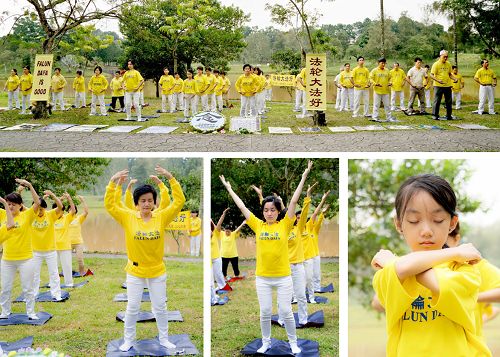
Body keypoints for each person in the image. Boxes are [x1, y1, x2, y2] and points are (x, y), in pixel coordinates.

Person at [371, 174, 491, 356]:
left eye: (437, 220)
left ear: (452, 224)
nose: (426, 231)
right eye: (414, 221)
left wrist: (392, 262)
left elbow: (408, 271)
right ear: (398, 224)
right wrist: (455, 251)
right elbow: (396, 277)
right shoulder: (387, 273)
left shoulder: (465, 270)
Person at [219, 160, 313, 355]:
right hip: (263, 277)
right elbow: (243, 206)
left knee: (286, 312)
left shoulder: (285, 225)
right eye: (266, 210)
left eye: (272, 210)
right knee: (264, 312)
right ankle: (266, 342)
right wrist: (229, 189)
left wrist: (304, 177)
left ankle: (293, 342)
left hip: (283, 277)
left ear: (279, 212)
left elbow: (294, 201)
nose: (269, 213)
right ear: (263, 212)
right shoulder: (258, 225)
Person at [104, 165, 185, 352]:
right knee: (132, 307)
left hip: (157, 270)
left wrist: (170, 178)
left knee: (160, 307)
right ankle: (128, 340)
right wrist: (112, 182)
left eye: (150, 200)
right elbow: (110, 205)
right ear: (137, 203)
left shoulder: (161, 217)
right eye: (143, 201)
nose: (147, 204)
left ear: (154, 202)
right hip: (135, 271)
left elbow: (179, 201)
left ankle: (164, 339)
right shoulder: (128, 217)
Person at [445, 222, 500, 342]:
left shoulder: (474, 265)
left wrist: (473, 297)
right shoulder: (414, 267)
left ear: (456, 239)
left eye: (444, 245)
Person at [0, 179, 41, 320]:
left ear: (20, 205)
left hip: (25, 259)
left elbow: (37, 203)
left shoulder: (27, 215)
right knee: (5, 288)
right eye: (8, 204)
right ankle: (5, 312)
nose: (10, 207)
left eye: (13, 204)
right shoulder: (3, 214)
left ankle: (31, 312)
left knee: (27, 288)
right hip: (7, 260)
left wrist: (29, 186)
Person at [30, 190, 64, 300]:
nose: (39, 211)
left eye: (42, 208)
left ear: (45, 207)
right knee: (34, 274)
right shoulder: (31, 215)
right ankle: (34, 294)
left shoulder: (50, 215)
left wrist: (53, 195)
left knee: (54, 273)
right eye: (38, 208)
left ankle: (56, 294)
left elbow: (60, 206)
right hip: (35, 251)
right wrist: (19, 191)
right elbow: (18, 207)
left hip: (50, 250)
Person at [304, 191, 329, 302]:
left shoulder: (314, 230)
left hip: (315, 254)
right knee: (307, 276)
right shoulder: (303, 229)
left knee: (316, 273)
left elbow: (318, 218)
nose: (312, 221)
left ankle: (317, 288)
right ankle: (307, 290)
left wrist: (323, 212)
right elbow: (314, 215)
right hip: (305, 256)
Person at [54, 193, 76, 287]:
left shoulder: (66, 218)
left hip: (65, 247)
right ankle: (54, 284)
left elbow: (73, 210)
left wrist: (69, 198)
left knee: (67, 266)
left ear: (63, 211)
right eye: (57, 211)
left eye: (60, 211)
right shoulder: (52, 218)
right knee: (54, 268)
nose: (58, 212)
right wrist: (59, 199)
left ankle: (69, 283)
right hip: (53, 247)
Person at [429, 50, 458, 120]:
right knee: (437, 101)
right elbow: (431, 75)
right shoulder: (436, 64)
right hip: (438, 86)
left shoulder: (448, 64)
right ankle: (435, 115)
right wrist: (438, 80)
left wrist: (455, 79)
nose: (445, 58)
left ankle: (448, 115)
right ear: (440, 56)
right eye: (444, 57)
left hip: (447, 85)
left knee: (449, 101)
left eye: (447, 57)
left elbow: (450, 74)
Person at [370, 58, 396, 122]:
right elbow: (370, 79)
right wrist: (375, 84)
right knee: (376, 105)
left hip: (386, 91)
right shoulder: (374, 70)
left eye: (384, 63)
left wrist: (390, 82)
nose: (383, 64)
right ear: (378, 63)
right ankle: (375, 117)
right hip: (377, 91)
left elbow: (391, 78)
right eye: (382, 63)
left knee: (387, 105)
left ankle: (389, 117)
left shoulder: (387, 70)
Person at [69, 195, 89, 276]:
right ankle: (68, 273)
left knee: (80, 260)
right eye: (69, 209)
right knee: (66, 260)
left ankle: (81, 273)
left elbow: (86, 212)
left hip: (78, 243)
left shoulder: (79, 218)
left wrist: (83, 200)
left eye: (72, 209)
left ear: (75, 210)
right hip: (68, 243)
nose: (71, 210)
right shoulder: (65, 218)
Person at [211, 210, 231, 292]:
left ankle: (222, 286)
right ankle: (212, 290)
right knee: (210, 276)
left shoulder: (215, 232)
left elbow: (219, 224)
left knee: (218, 274)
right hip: (209, 260)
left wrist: (223, 214)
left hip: (216, 258)